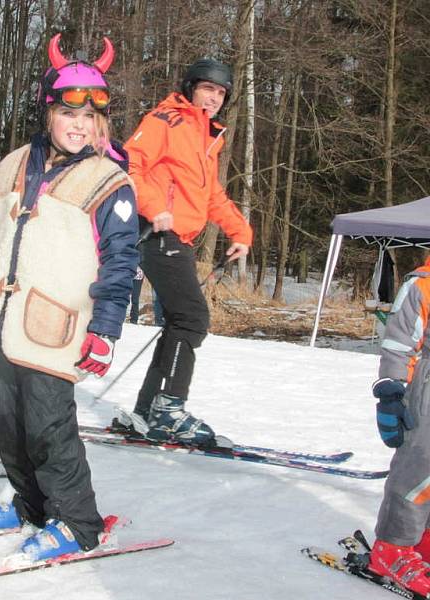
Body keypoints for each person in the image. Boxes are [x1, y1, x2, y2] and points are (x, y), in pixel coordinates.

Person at [0, 33, 138, 561]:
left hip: (59, 326)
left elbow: (121, 264)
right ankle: (31, 503)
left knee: (49, 428)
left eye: (89, 118)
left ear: (100, 122)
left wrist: (105, 330)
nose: (78, 126)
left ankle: (79, 523)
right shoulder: (11, 165)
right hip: (3, 318)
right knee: (8, 423)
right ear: (49, 111)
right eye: (67, 114)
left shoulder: (110, 181)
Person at [121, 58, 253, 446]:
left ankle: (149, 410)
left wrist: (240, 230)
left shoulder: (206, 137)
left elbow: (211, 195)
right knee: (193, 319)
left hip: (180, 239)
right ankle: (169, 409)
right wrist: (152, 207)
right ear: (192, 87)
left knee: (180, 323)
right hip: (157, 233)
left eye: (221, 93)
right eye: (208, 89)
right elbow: (129, 164)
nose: (214, 98)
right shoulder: (165, 120)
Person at [365, 254, 430, 596]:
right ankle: (392, 547)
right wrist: (391, 392)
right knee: (418, 470)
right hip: (426, 389)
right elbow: (398, 343)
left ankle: (424, 542)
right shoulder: (422, 284)